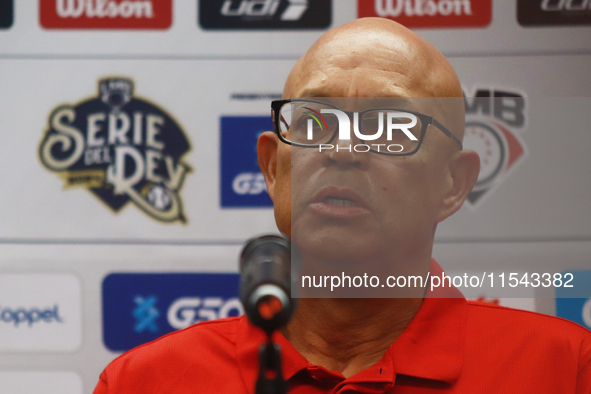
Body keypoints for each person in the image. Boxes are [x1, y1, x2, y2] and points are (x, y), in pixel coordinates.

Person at [93, 18, 591, 393]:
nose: (343, 149)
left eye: (389, 127)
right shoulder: (146, 381)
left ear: (453, 183)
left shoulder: (564, 368)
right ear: (272, 168)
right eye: (314, 122)